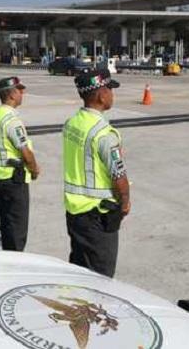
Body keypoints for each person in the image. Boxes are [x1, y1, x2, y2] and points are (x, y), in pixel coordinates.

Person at [62, 68, 130, 278]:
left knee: (80, 270)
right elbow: (119, 177)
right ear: (101, 95)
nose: (112, 94)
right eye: (110, 89)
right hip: (97, 217)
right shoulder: (104, 134)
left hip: (75, 212)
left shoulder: (72, 123)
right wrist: (125, 201)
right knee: (101, 278)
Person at [0, 76, 40, 251]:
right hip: (14, 181)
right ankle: (15, 262)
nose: (22, 93)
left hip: (2, 177)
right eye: (19, 90)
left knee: (8, 226)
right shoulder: (12, 120)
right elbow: (25, 152)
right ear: (11, 95)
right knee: (17, 230)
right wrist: (34, 170)